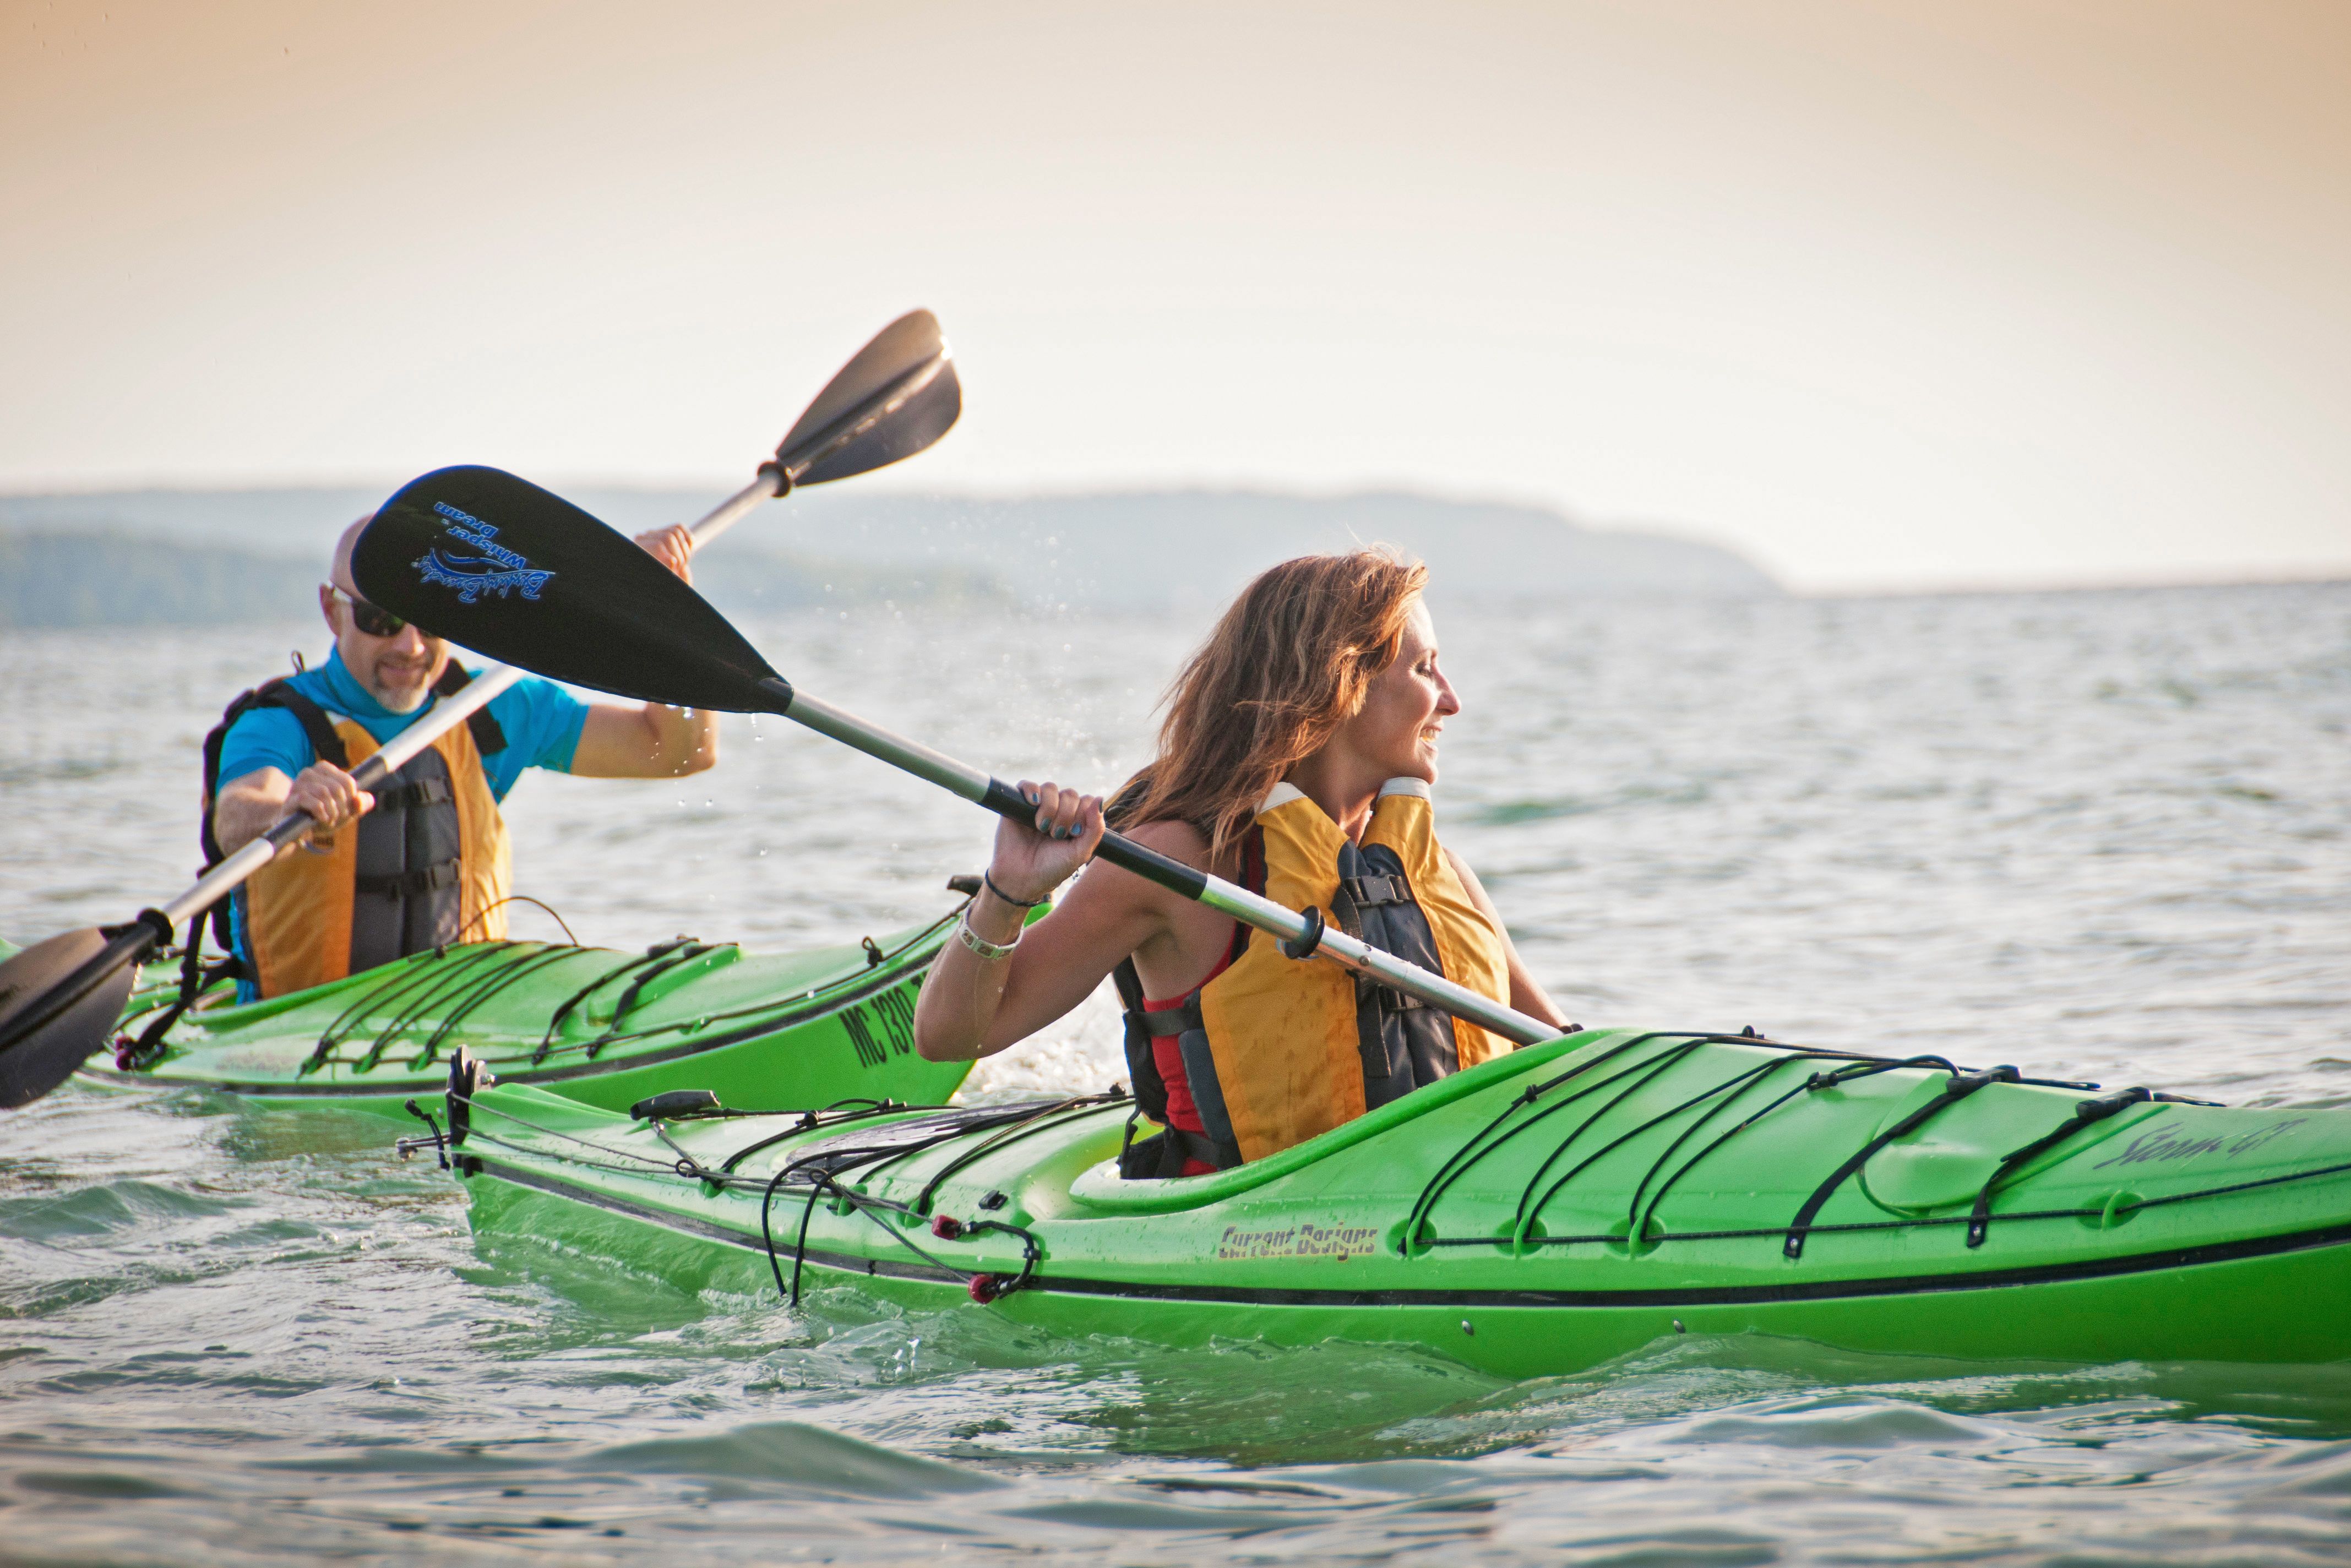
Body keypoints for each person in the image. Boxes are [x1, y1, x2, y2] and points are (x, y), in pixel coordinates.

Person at [913, 549, 1570, 1177]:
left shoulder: (1442, 876)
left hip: (1447, 1208)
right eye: (1427, 669)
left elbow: (1570, 1059)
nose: (1452, 701)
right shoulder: (1180, 866)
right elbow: (951, 1036)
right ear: (1343, 684)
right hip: (1251, 1232)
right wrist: (1008, 891)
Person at [203, 515, 719, 999]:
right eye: (381, 618)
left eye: (430, 623)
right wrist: (288, 809)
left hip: (457, 1018)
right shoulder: (278, 722)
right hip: (297, 1029)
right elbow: (238, 815)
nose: (410, 647)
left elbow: (679, 750)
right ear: (331, 610)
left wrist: (668, 606)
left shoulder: (490, 709)